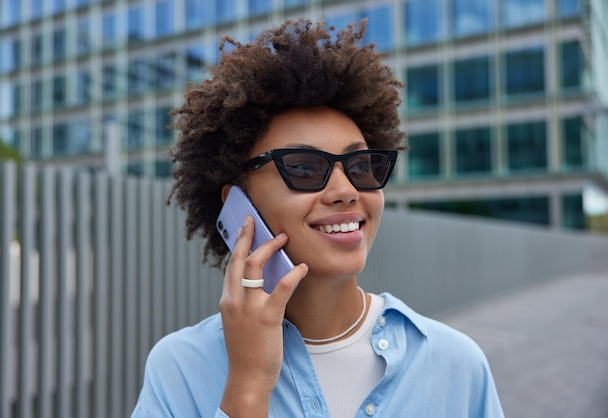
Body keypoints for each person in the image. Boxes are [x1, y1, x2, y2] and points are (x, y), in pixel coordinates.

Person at [132, 19, 504, 418]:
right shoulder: (180, 369)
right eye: (306, 168)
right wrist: (249, 386)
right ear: (238, 203)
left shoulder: (455, 365)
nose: (346, 190)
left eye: (360, 165)